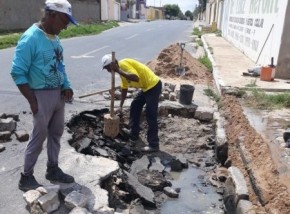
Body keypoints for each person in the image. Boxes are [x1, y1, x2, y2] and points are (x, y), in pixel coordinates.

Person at [10, 0, 78, 191]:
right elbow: (17, 72)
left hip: (58, 95)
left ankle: (53, 169)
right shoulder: (30, 38)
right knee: (39, 137)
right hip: (40, 95)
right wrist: (32, 100)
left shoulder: (55, 38)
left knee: (56, 133)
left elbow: (60, 66)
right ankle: (26, 176)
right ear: (52, 15)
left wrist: (67, 86)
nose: (66, 26)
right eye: (65, 20)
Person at [101, 54, 162, 152]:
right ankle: (134, 134)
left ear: (113, 64)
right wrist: (120, 106)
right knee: (135, 105)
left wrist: (117, 70)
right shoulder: (121, 71)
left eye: (108, 68)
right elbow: (124, 88)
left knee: (150, 114)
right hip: (145, 88)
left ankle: (154, 144)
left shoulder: (123, 64)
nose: (108, 71)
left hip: (153, 86)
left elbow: (136, 78)